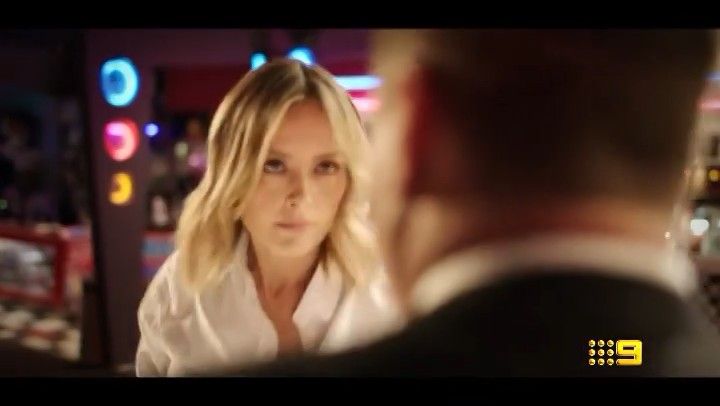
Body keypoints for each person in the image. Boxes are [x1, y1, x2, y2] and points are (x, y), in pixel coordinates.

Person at [238, 30, 720, 377]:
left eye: (329, 164)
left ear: (419, 132)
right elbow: (609, 352)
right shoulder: (624, 351)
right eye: (273, 164)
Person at [135, 59, 403, 377]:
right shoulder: (180, 288)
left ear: (349, 178)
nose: (300, 195)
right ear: (231, 173)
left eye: (325, 167)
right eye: (274, 165)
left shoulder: (392, 294)